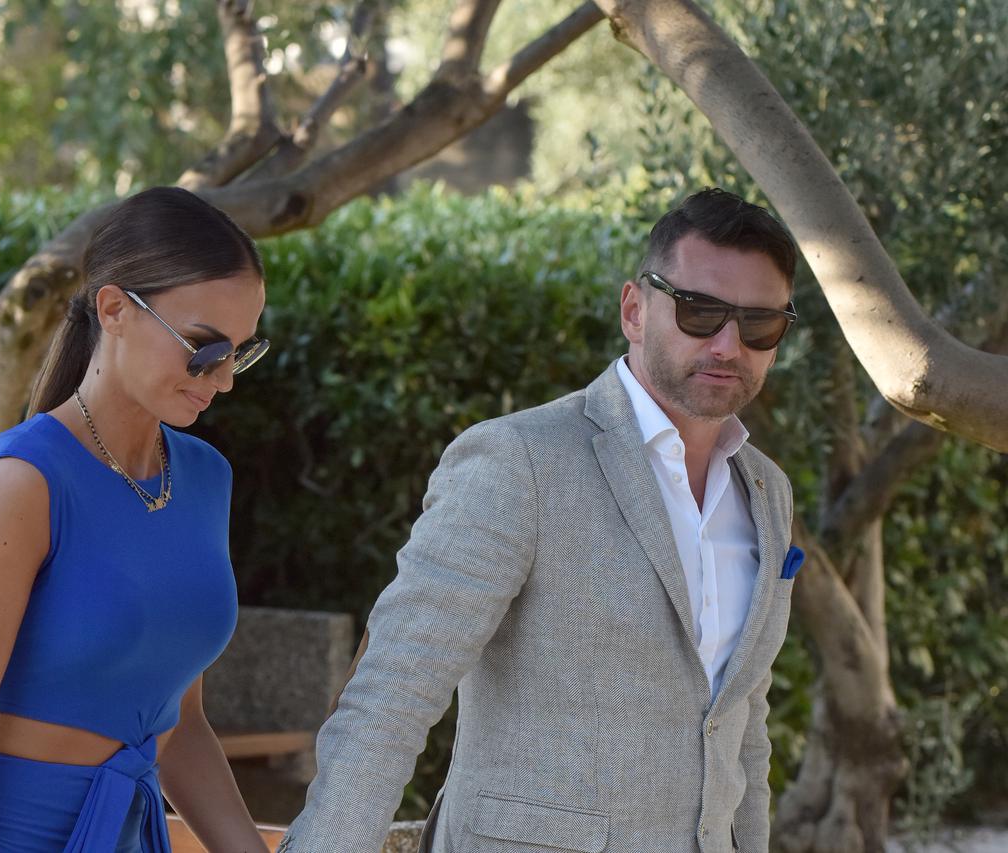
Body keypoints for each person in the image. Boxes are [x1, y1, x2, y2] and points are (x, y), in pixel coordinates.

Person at [279, 188, 804, 853]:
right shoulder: (519, 461)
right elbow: (394, 692)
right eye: (700, 311)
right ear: (635, 310)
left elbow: (743, 722)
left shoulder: (767, 490)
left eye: (759, 324)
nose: (728, 344)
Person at [0, 186, 273, 852]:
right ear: (114, 309)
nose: (222, 379)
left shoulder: (205, 479)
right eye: (202, 347)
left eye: (239, 353)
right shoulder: (23, 483)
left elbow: (182, 724)